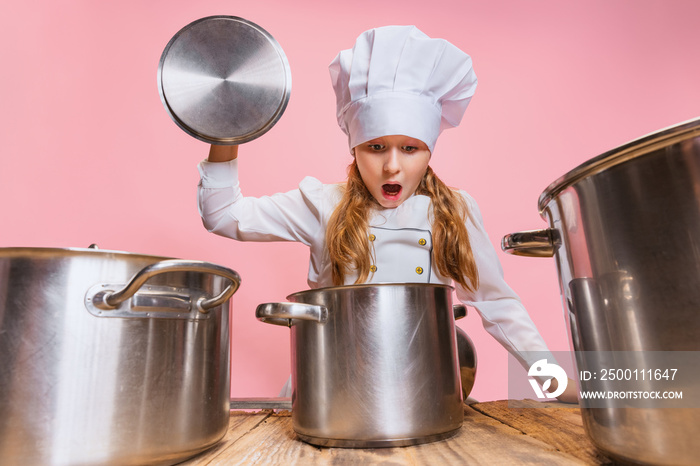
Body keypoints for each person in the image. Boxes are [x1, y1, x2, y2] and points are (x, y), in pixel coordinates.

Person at [198, 25, 577, 403]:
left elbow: (497, 304)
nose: (392, 166)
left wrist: (553, 380)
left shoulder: (455, 212)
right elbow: (224, 214)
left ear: (429, 151)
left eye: (410, 149)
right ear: (355, 148)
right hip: (331, 394)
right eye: (376, 147)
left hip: (424, 394)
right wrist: (225, 122)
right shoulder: (322, 204)